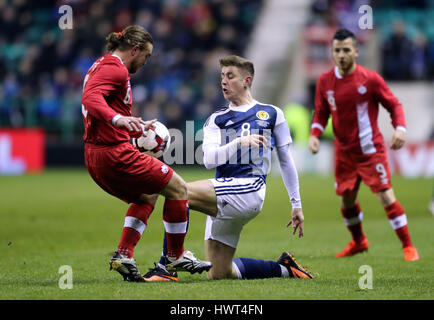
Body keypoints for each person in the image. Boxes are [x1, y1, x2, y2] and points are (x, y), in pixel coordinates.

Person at [141, 55, 313, 281]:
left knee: (178, 191)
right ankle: (285, 268)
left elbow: (286, 161)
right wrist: (238, 143)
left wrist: (296, 204)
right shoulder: (217, 119)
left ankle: (167, 266)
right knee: (219, 273)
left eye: (230, 76)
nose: (223, 81)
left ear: (246, 80)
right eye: (222, 76)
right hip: (224, 191)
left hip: (249, 190)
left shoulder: (271, 113)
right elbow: (209, 160)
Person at [80, 25, 211, 282]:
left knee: (147, 195)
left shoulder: (101, 64)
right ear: (135, 49)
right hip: (114, 154)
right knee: (178, 188)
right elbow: (90, 98)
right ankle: (175, 255)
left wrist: (133, 125)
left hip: (95, 155)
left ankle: (123, 254)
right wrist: (118, 120)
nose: (145, 62)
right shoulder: (115, 68)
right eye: (146, 56)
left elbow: (102, 102)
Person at [308, 29, 419, 261]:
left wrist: (400, 128)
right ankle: (359, 242)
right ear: (332, 52)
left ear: (356, 52)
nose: (341, 55)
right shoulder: (325, 81)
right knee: (346, 199)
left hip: (370, 151)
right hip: (344, 153)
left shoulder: (370, 79)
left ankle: (408, 247)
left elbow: (394, 105)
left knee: (385, 196)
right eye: (337, 50)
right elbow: (321, 112)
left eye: (346, 50)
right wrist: (314, 135)